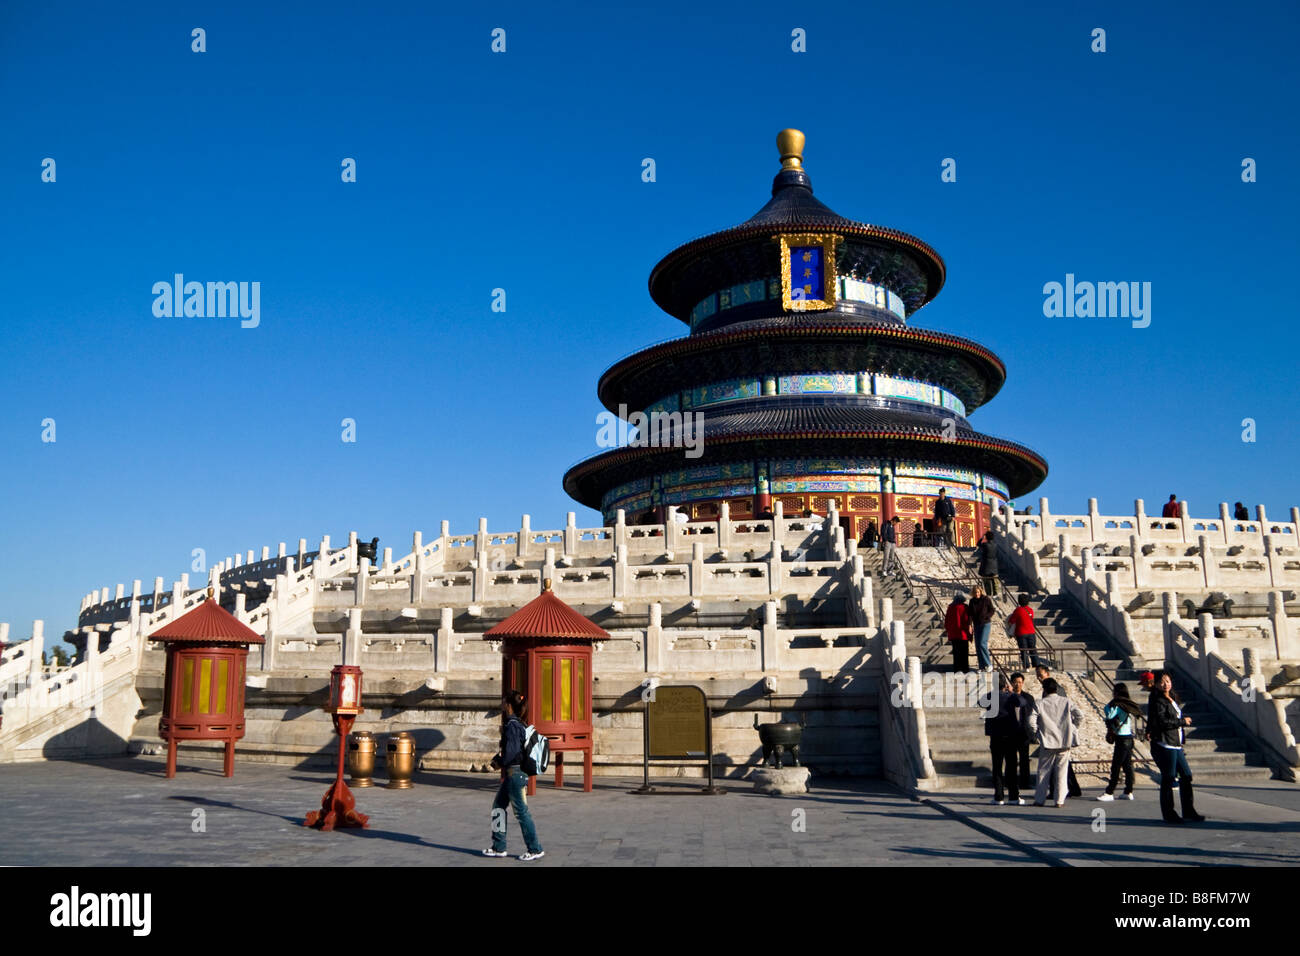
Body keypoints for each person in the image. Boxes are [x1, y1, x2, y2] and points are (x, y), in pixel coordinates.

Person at [483, 690, 545, 860]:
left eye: (503, 701)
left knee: (521, 813)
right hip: (516, 773)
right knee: (498, 807)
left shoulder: (511, 726)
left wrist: (498, 762)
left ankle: (535, 848)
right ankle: (498, 846)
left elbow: (511, 754)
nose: (502, 704)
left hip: (514, 774)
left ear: (508, 705)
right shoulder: (519, 724)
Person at [1147, 671, 1205, 825]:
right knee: (1168, 777)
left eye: (1168, 681)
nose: (1166, 684)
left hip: (1176, 743)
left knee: (1186, 775)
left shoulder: (1171, 697)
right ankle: (1169, 813)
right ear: (1156, 684)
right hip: (1165, 743)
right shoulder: (1157, 700)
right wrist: (1181, 722)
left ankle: (1188, 810)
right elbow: (1162, 722)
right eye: (1162, 682)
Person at [1028, 678, 1083, 807]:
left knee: (1043, 772)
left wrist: (1036, 733)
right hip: (1064, 741)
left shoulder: (1040, 703)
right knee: (1061, 773)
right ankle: (1059, 800)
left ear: (1045, 689)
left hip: (1047, 741)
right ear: (1057, 689)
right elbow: (1080, 715)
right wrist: (1073, 727)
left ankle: (1040, 799)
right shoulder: (1067, 702)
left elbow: (1031, 721)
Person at [1098, 683, 1142, 801]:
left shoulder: (1116, 705)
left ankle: (1109, 792)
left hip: (1121, 739)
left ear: (1116, 692)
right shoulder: (1127, 705)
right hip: (1129, 738)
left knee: (1116, 766)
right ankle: (1128, 791)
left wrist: (1109, 705)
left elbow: (1109, 715)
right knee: (1127, 766)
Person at [985, 675, 1024, 805]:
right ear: (1005, 685)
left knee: (997, 767)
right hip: (1010, 736)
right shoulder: (1010, 696)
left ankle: (999, 796)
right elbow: (1022, 702)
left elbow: (980, 702)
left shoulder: (989, 696)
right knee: (1011, 766)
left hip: (995, 736)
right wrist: (1012, 692)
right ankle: (1013, 796)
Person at [1009, 672, 1035, 789]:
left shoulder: (1028, 698)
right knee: (1011, 759)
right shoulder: (1007, 697)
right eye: (1015, 682)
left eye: (1020, 682)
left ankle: (1025, 782)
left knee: (1024, 759)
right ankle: (1011, 782)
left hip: (1024, 732)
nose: (1017, 685)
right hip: (1011, 732)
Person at [969, 584, 995, 671]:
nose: (977, 594)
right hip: (976, 624)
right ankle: (981, 666)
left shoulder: (986, 599)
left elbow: (992, 610)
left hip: (985, 623)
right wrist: (970, 625)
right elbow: (970, 614)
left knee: (982, 643)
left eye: (978, 592)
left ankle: (988, 663)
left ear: (981, 591)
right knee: (977, 645)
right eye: (975, 592)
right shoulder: (972, 601)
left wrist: (987, 616)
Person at [944, 593, 972, 673]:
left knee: (956, 653)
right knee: (964, 653)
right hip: (963, 634)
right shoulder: (965, 607)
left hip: (953, 634)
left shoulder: (950, 607)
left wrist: (948, 630)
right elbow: (967, 620)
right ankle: (965, 669)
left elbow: (947, 621)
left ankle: (957, 669)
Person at [1008, 593, 1036, 669]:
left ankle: (1026, 666)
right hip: (1031, 632)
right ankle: (1036, 664)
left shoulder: (1018, 610)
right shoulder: (1030, 610)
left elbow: (1011, 621)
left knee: (1023, 650)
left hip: (1021, 633)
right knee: (1032, 649)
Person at [973, 530, 999, 596]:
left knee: (986, 580)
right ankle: (995, 593)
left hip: (986, 564)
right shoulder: (996, 545)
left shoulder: (985, 545)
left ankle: (989, 593)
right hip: (994, 564)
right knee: (994, 580)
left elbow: (978, 544)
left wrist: (982, 538)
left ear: (986, 537)